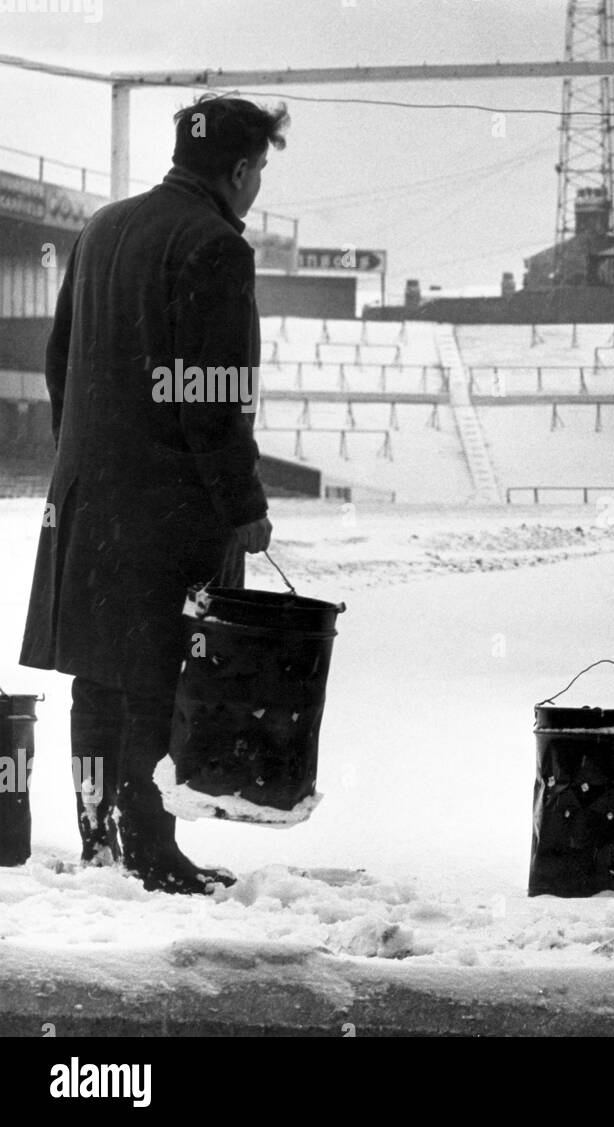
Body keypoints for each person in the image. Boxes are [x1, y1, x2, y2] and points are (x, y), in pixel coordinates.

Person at [19, 93, 288, 894]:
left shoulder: (100, 228)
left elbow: (58, 361)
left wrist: (84, 456)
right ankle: (149, 851)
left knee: (97, 678)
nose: (257, 187)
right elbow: (215, 397)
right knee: (158, 678)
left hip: (86, 497)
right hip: (166, 508)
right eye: (260, 171)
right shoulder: (214, 246)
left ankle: (101, 840)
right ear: (240, 170)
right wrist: (242, 506)